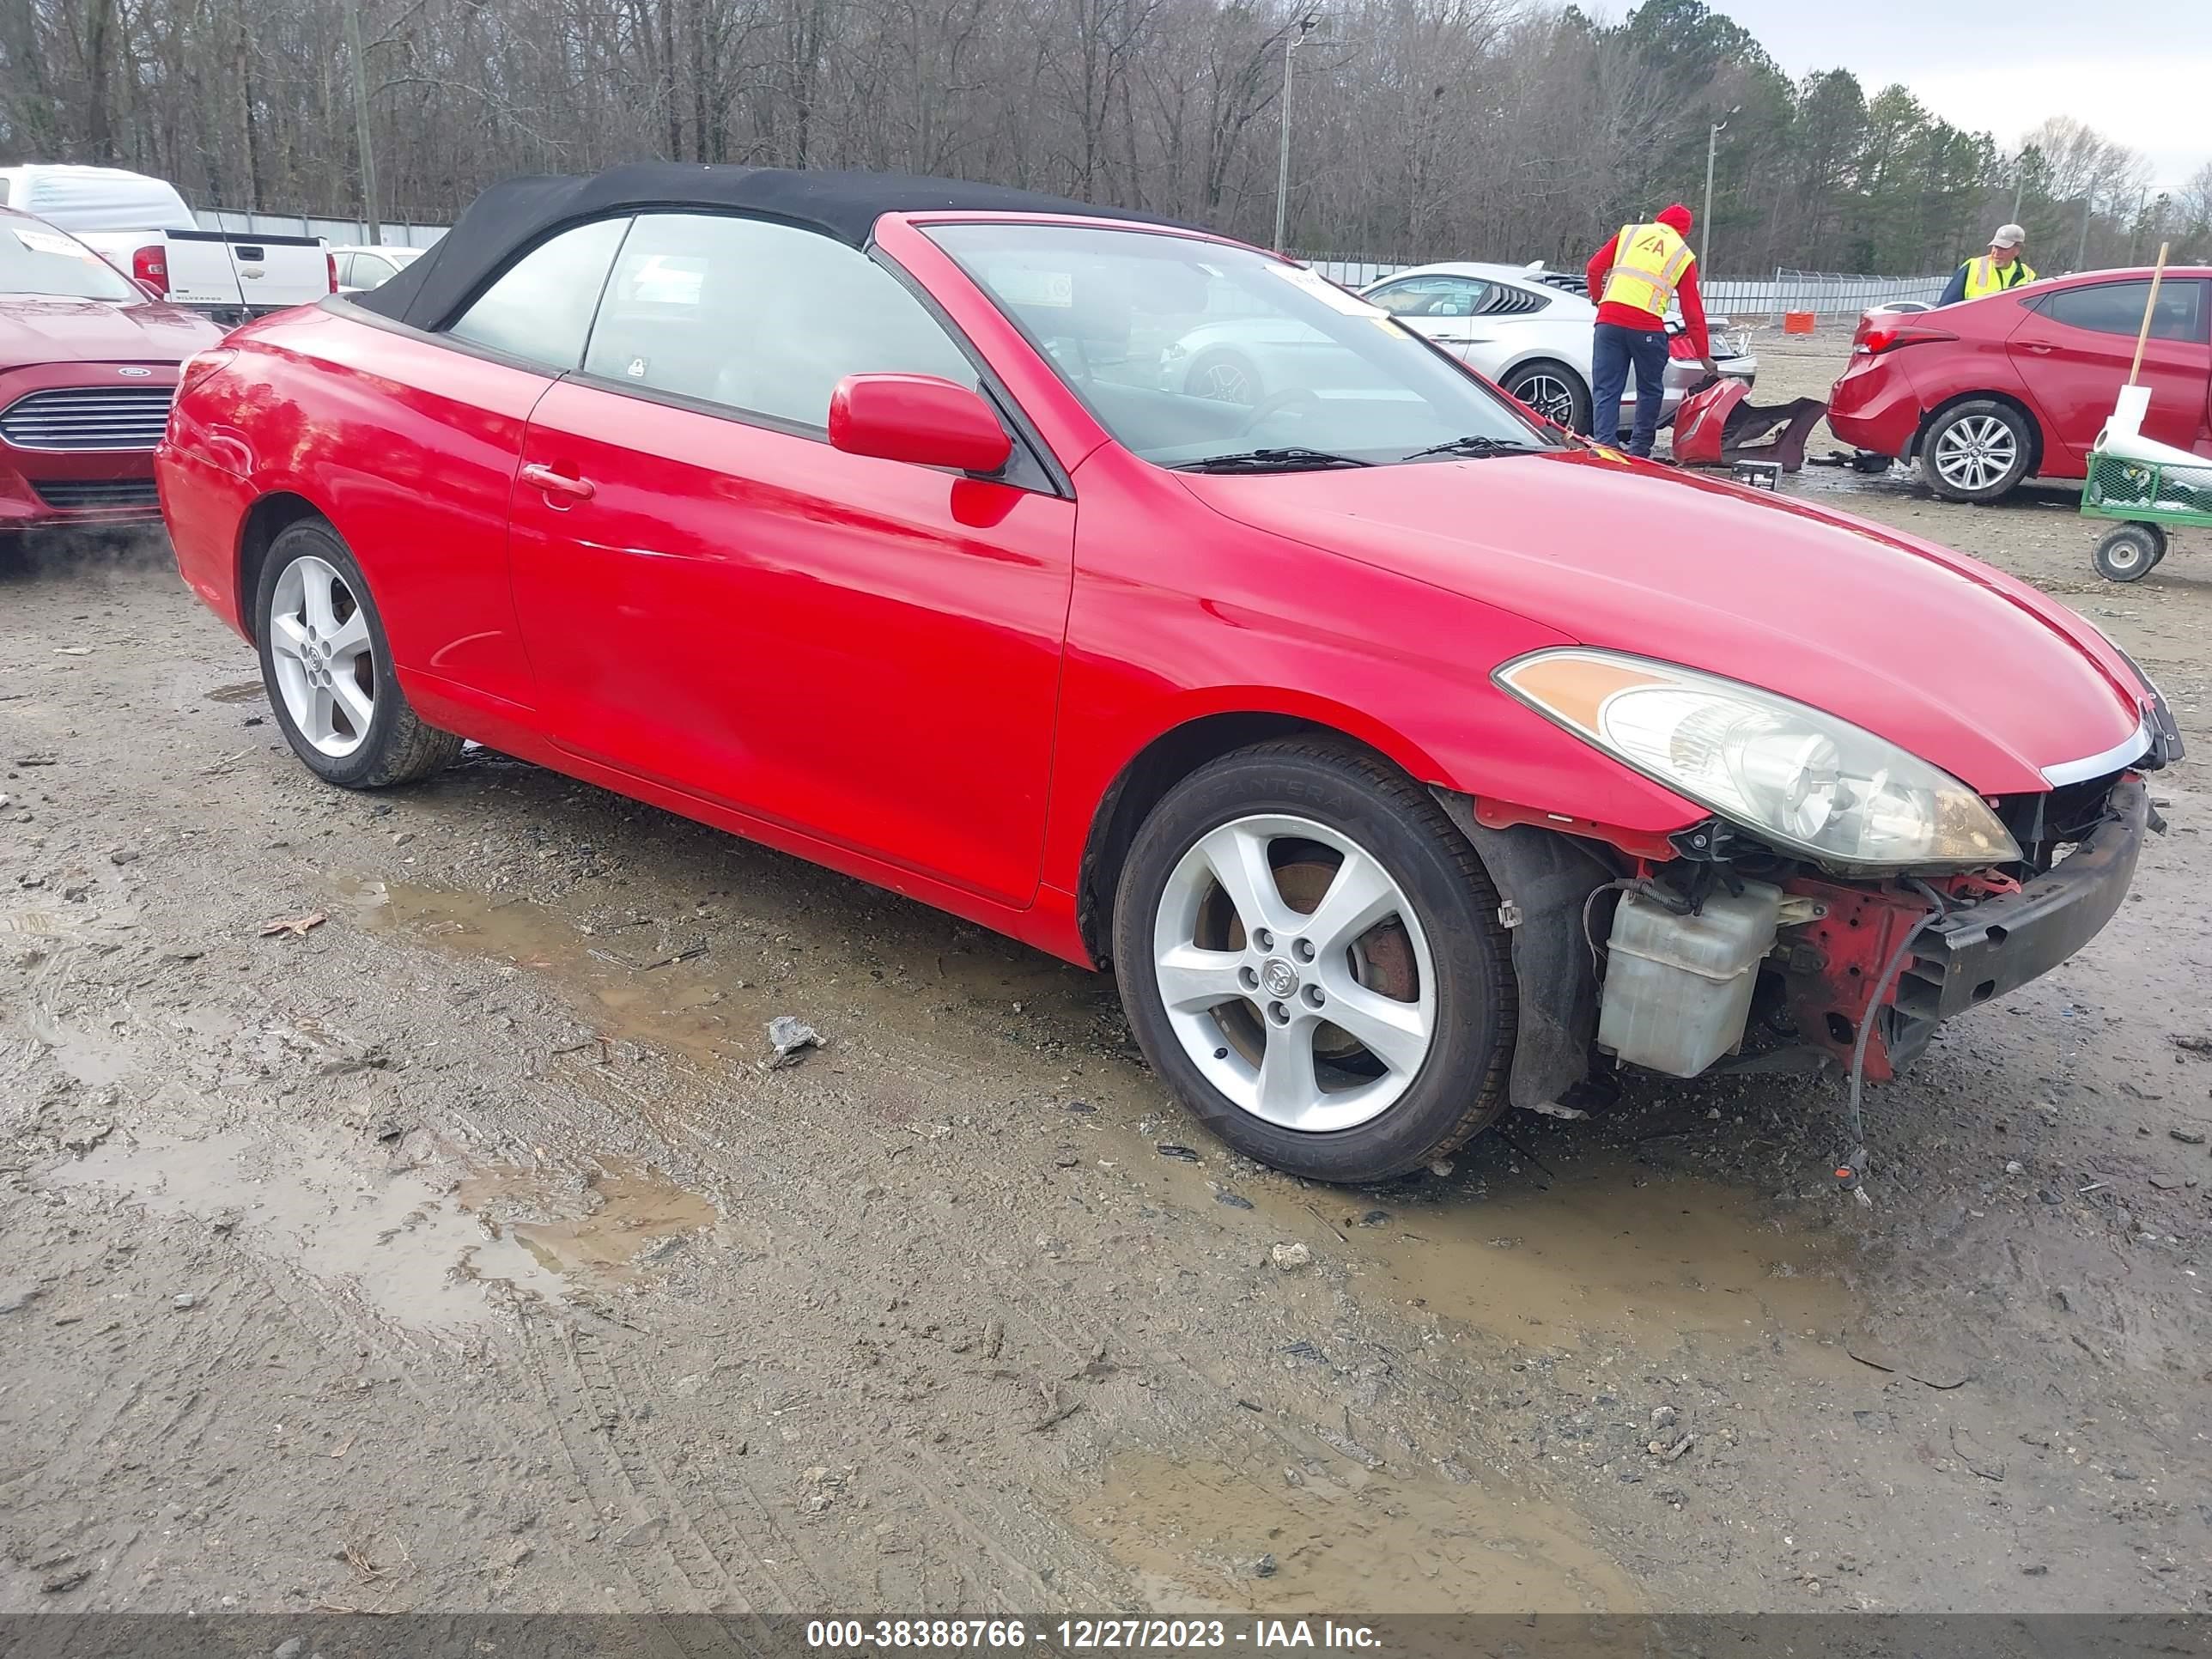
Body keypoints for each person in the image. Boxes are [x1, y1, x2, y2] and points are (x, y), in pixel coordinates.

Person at [1583, 203, 1712, 458]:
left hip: (1609, 323)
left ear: (1659, 220)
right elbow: (1692, 309)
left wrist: (1597, 297)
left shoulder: (1630, 233)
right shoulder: (1682, 254)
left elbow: (1594, 268)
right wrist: (1703, 354)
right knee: (1650, 389)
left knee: (1607, 388)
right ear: (1685, 232)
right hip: (1647, 329)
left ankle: (1605, 445)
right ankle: (1639, 449)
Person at [1940, 224, 2036, 306]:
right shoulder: (1973, 267)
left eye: (2003, 248)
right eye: (1995, 247)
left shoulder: (2029, 277)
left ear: (2017, 250)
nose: (1996, 253)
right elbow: (1946, 306)